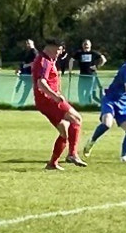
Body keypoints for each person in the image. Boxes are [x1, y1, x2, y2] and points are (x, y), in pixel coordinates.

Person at [83, 52, 126, 165]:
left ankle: (124, 157)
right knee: (107, 124)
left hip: (123, 103)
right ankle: (91, 142)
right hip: (110, 99)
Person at [33, 39, 87, 170]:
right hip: (49, 100)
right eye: (59, 49)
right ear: (51, 47)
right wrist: (55, 95)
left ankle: (52, 163)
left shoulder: (48, 60)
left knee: (64, 131)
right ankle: (72, 154)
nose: (60, 52)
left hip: (44, 102)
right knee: (77, 119)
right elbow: (41, 83)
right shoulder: (44, 61)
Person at [70, 40, 107, 105]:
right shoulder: (79, 53)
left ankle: (87, 105)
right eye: (84, 44)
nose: (86, 45)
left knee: (88, 92)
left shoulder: (93, 53)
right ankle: (82, 105)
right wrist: (70, 70)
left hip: (91, 76)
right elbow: (71, 60)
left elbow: (104, 59)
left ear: (90, 45)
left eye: (87, 44)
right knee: (80, 92)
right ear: (82, 45)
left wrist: (97, 66)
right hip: (82, 76)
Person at [15, 39, 38, 107]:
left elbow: (36, 62)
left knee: (29, 89)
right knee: (27, 88)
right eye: (27, 43)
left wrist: (27, 65)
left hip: (32, 74)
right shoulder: (27, 52)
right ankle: (22, 102)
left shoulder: (34, 52)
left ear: (32, 44)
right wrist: (20, 68)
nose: (27, 45)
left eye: (29, 43)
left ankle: (22, 102)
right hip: (26, 73)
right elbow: (24, 62)